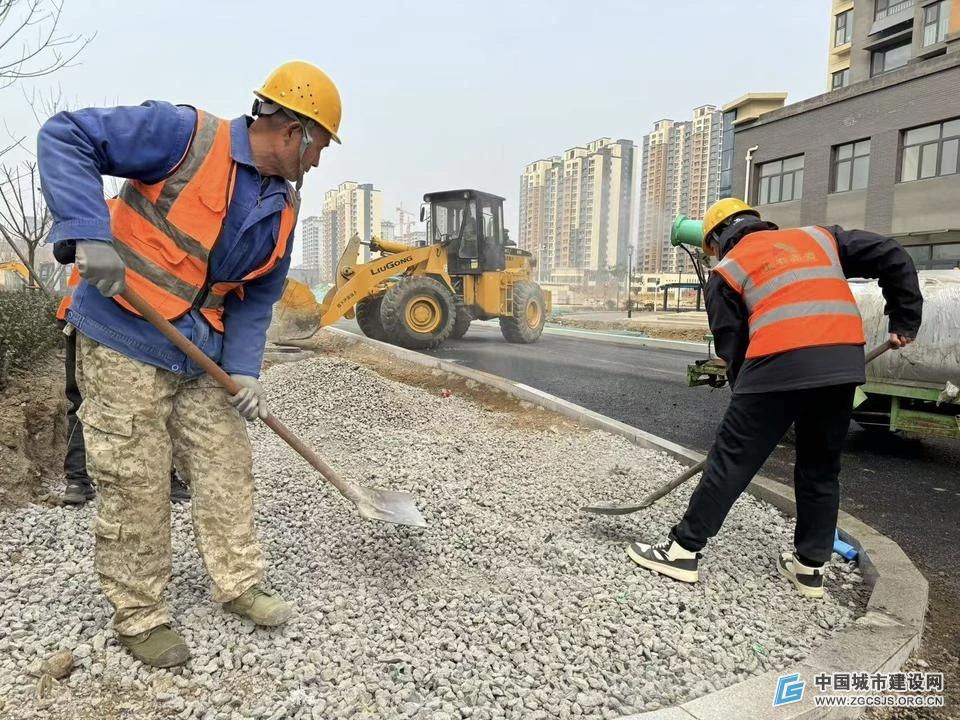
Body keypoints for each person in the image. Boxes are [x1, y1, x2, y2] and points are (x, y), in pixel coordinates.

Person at [37, 61, 341, 667]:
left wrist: (246, 370)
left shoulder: (282, 207)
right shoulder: (185, 136)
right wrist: (87, 233)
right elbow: (64, 134)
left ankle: (239, 582)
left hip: (199, 353)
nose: (316, 162)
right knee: (136, 480)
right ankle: (140, 615)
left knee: (227, 463)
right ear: (293, 131)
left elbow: (257, 296)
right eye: (319, 147)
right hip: (125, 333)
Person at [627, 198, 922, 599]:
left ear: (716, 240)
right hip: (841, 363)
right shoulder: (820, 239)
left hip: (777, 363)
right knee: (820, 468)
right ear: (757, 222)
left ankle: (682, 551)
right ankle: (810, 568)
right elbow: (891, 252)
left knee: (731, 460)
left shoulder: (727, 271)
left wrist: (744, 400)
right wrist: (905, 318)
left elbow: (734, 347)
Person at [54, 252, 191, 506]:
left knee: (85, 402)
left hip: (88, 313)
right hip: (121, 319)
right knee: (153, 400)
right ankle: (165, 478)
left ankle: (78, 481)